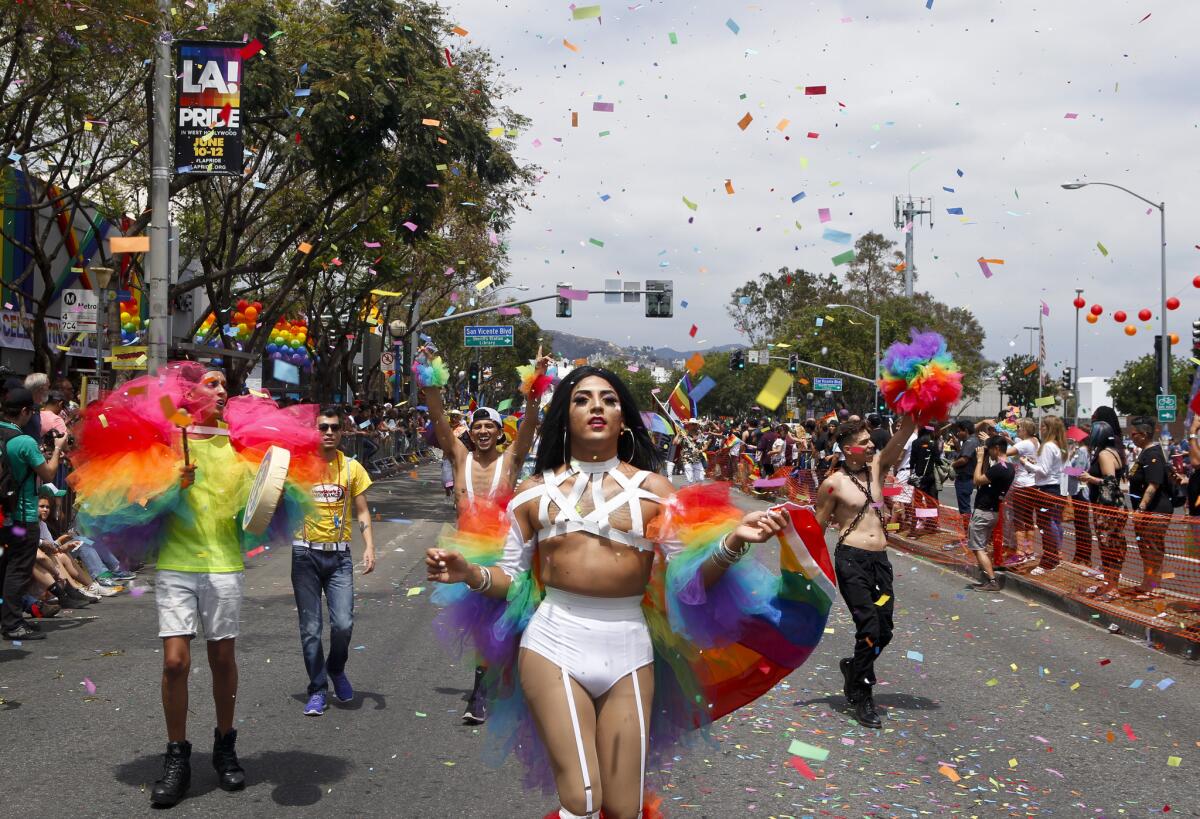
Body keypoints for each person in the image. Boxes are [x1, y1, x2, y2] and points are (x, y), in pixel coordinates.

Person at [426, 366, 813, 819]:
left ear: (623, 419)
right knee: (583, 796)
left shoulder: (656, 491)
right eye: (582, 399)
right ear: (564, 417)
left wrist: (733, 541)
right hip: (553, 643)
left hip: (630, 647)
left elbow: (687, 586)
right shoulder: (533, 494)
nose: (596, 407)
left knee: (624, 808)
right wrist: (470, 572)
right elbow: (513, 584)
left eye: (608, 400)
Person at [422, 349, 548, 725]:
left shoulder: (510, 460)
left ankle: (502, 681)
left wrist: (533, 390)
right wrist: (430, 378)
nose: (482, 432)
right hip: (467, 555)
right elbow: (439, 420)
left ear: (498, 432)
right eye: (476, 427)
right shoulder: (459, 457)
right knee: (482, 626)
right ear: (470, 432)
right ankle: (480, 690)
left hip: (506, 556)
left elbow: (529, 426)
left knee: (509, 623)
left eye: (489, 427)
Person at [813, 414, 918, 729]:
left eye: (871, 441)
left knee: (884, 628)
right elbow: (816, 531)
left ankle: (854, 667)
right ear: (848, 449)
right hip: (851, 562)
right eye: (864, 443)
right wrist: (809, 572)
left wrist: (915, 416)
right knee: (869, 625)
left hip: (880, 564)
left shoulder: (877, 469)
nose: (872, 445)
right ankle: (861, 693)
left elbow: (903, 436)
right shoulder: (833, 485)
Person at [293, 407, 376, 717]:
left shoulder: (352, 468)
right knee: (311, 628)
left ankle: (335, 668)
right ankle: (317, 688)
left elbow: (363, 510)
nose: (328, 432)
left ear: (343, 432)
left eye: (334, 427)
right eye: (323, 427)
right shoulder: (298, 466)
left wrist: (369, 546)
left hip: (340, 556)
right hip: (304, 555)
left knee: (343, 624)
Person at [0, 387, 69, 641]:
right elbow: (49, 475)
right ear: (26, 412)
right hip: (22, 516)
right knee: (18, 570)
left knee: (6, 566)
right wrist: (58, 448)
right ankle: (12, 624)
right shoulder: (24, 442)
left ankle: (9, 618)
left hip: (2, 517)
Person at [1078, 416, 1127, 601]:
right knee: (1108, 546)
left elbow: (1110, 482)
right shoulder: (1110, 451)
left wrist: (1090, 479)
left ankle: (1113, 586)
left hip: (1109, 508)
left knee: (1111, 547)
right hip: (1107, 507)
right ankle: (1109, 583)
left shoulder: (1105, 454)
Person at [1126, 416, 1172, 596]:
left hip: (1155, 510)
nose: (1132, 437)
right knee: (1145, 546)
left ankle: (1153, 585)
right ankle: (1147, 581)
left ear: (1144, 435)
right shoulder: (1144, 452)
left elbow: (1154, 484)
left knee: (1153, 547)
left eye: (1134, 434)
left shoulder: (1153, 454)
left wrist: (1141, 508)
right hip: (1145, 511)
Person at [967, 436, 1015, 591]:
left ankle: (992, 580)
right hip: (993, 511)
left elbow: (977, 480)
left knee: (977, 547)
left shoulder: (999, 468)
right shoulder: (1009, 466)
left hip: (984, 511)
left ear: (996, 448)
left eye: (990, 450)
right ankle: (988, 576)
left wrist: (980, 459)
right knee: (981, 546)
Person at [1029, 416, 1067, 574]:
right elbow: (1063, 469)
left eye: (1043, 426)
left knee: (1046, 525)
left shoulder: (1048, 446)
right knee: (1054, 523)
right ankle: (1054, 555)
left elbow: (1044, 471)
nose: (1040, 429)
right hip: (1058, 489)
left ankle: (1048, 559)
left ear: (1049, 428)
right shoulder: (1060, 446)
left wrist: (1027, 464)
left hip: (1046, 489)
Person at [1006, 419, 1041, 564]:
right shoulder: (1035, 441)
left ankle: (1020, 552)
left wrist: (991, 441)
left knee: (1018, 519)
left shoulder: (1025, 442)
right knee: (1028, 518)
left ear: (1025, 429)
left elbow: (1006, 452)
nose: (1017, 429)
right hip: (1033, 483)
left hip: (1022, 485)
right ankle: (1029, 550)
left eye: (1019, 427)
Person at [949, 420, 979, 518]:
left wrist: (952, 464)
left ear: (965, 430)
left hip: (965, 478)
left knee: (964, 508)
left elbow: (964, 459)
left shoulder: (971, 441)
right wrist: (957, 444)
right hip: (966, 477)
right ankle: (968, 529)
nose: (958, 434)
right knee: (964, 506)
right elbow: (962, 454)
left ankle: (967, 531)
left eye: (959, 431)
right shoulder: (968, 442)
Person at [674, 419, 708, 484]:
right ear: (689, 425)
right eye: (692, 424)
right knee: (689, 480)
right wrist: (678, 434)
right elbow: (675, 443)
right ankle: (691, 491)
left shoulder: (700, 435)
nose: (694, 426)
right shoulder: (684, 435)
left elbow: (705, 446)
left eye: (695, 424)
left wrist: (700, 450)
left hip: (697, 459)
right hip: (687, 460)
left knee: (700, 479)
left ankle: (698, 492)